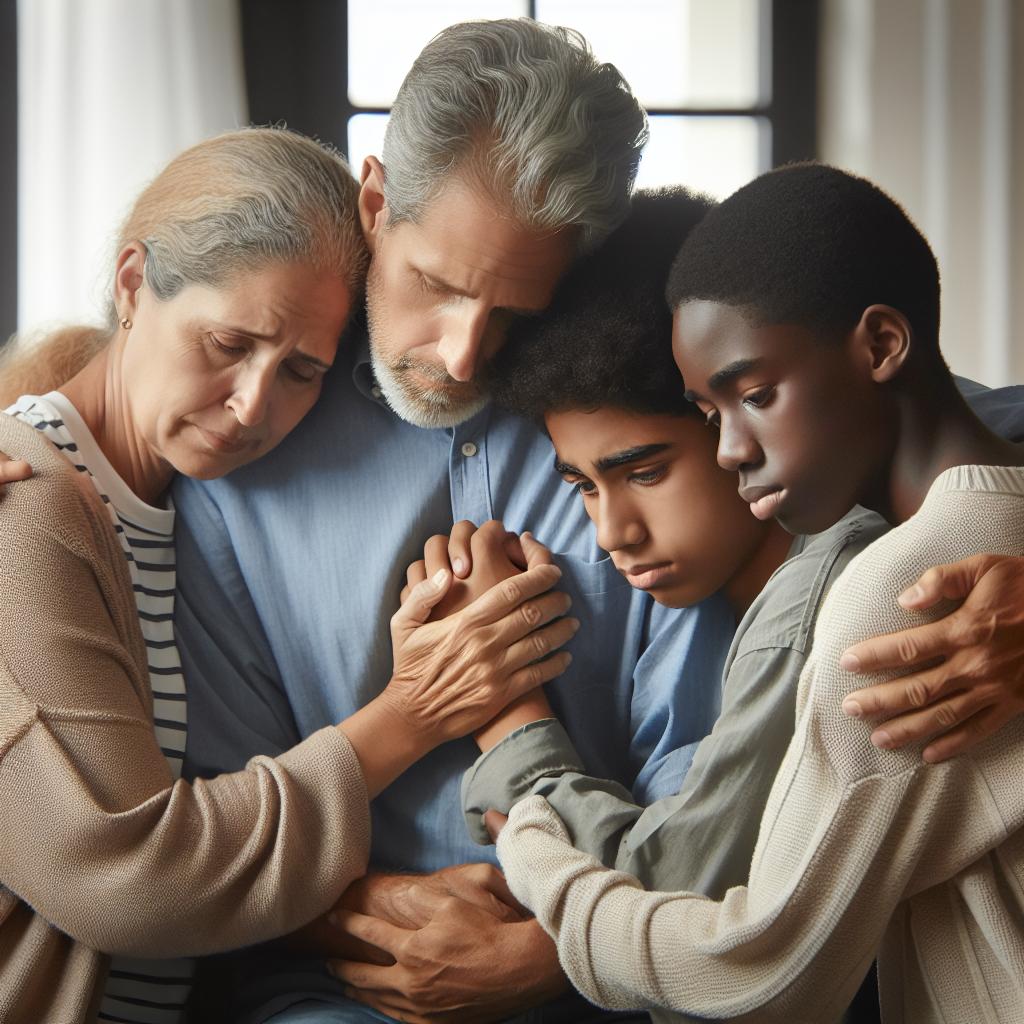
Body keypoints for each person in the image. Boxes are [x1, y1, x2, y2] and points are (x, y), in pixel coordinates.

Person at [169, 20, 731, 1024]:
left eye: (515, 309)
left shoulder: (638, 438)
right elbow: (217, 827)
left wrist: (557, 954)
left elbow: (914, 400)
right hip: (331, 992)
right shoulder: (238, 444)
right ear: (375, 202)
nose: (465, 357)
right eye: (435, 286)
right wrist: (363, 913)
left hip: (620, 982)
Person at [0, 127, 577, 1024]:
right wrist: (413, 712)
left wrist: (358, 907)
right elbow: (129, 876)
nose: (252, 406)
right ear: (129, 285)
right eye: (228, 341)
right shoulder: (26, 506)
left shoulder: (173, 506)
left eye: (301, 370)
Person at [480, 164, 1024, 1022]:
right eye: (712, 409)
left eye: (754, 397)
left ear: (883, 345)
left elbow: (760, 978)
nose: (733, 448)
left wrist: (535, 840)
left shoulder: (895, 596)